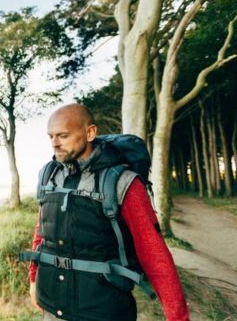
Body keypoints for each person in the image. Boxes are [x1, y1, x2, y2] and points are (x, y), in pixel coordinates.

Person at [25, 104, 189, 320]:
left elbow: (153, 252)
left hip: (103, 311)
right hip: (52, 304)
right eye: (51, 136)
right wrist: (34, 279)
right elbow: (43, 232)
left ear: (90, 132)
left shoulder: (122, 182)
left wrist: (177, 315)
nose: (55, 143)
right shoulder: (48, 174)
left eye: (63, 136)